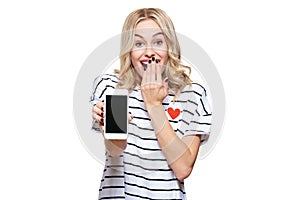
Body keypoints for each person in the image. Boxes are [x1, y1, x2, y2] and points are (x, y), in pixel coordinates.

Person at [91, 8, 212, 200]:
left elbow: (183, 168)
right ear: (129, 50)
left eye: (157, 42)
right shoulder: (113, 86)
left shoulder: (192, 94)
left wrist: (153, 104)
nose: (149, 52)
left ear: (169, 47)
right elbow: (114, 150)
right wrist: (110, 127)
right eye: (139, 43)